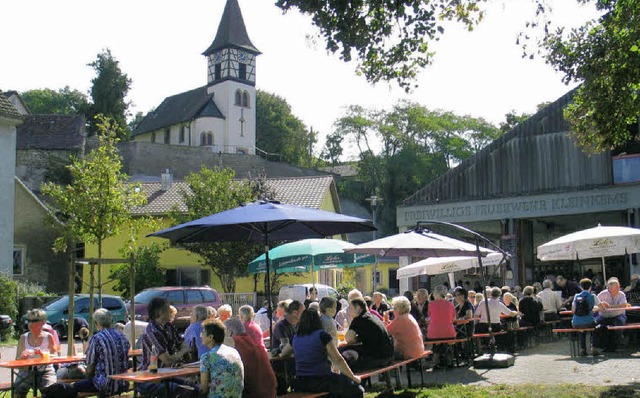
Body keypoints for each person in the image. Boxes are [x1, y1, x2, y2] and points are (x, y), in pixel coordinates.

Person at [292, 309, 364, 397]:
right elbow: (338, 360)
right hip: (321, 380)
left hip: (301, 382)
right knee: (358, 390)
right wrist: (353, 377)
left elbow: (284, 352)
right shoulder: (322, 336)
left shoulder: (295, 338)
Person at [138, 297, 189, 397]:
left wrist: (182, 350)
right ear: (160, 312)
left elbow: (182, 343)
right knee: (182, 391)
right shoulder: (152, 332)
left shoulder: (168, 326)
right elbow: (167, 360)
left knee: (195, 387)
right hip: (151, 378)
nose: (170, 310)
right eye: (167, 308)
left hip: (168, 374)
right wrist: (182, 352)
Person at [73, 308, 130, 397]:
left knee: (74, 387)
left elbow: (90, 366)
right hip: (123, 382)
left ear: (96, 323)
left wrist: (87, 376)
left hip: (105, 384)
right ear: (111, 321)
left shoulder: (97, 338)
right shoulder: (122, 336)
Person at [225, 318, 276, 398]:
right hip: (269, 388)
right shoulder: (251, 341)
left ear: (229, 332)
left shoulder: (237, 340)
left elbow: (219, 341)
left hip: (255, 391)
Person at [14, 309, 57, 398]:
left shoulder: (49, 337)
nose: (30, 324)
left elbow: (55, 357)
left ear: (43, 322)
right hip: (27, 370)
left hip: (45, 370)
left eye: (34, 321)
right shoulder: (23, 338)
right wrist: (22, 357)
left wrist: (44, 355)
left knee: (51, 390)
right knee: (18, 390)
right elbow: (16, 361)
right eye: (29, 321)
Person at [343, 297, 394, 371]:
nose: (348, 311)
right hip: (388, 356)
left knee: (346, 359)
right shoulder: (372, 316)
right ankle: (363, 382)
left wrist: (355, 337)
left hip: (379, 359)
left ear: (358, 308)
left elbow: (348, 339)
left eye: (350, 308)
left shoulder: (359, 319)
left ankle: (354, 382)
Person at [199, 319, 244, 398]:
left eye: (203, 333)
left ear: (210, 337)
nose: (201, 335)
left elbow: (203, 389)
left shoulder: (206, 357)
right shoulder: (233, 351)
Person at [426, 285, 456, 368]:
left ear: (436, 294)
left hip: (434, 333)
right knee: (447, 342)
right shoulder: (450, 304)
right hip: (449, 332)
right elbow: (454, 318)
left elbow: (429, 317)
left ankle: (436, 360)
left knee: (437, 342)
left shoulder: (431, 304)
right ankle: (449, 360)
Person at [594, 277, 628, 352]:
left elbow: (624, 305)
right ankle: (598, 346)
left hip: (618, 315)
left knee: (619, 323)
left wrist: (610, 306)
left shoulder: (621, 294)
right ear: (609, 288)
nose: (618, 289)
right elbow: (594, 305)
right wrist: (601, 305)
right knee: (595, 323)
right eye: (616, 288)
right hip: (604, 316)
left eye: (618, 287)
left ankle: (617, 345)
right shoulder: (603, 294)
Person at [571, 278, 599, 356]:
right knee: (596, 327)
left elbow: (573, 310)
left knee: (581, 329)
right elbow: (601, 307)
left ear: (580, 287)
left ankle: (582, 349)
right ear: (590, 287)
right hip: (589, 321)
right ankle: (594, 347)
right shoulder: (592, 296)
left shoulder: (576, 296)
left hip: (576, 323)